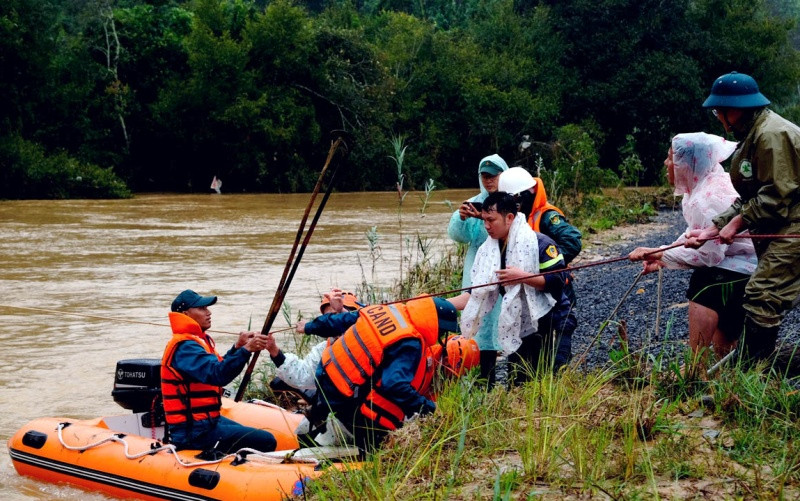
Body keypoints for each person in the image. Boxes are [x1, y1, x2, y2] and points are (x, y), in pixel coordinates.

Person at [687, 72, 800, 365]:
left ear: (735, 109)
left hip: (794, 227)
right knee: (766, 294)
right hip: (783, 224)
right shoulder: (753, 134)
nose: (717, 117)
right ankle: (756, 369)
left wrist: (736, 225)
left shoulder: (772, 135)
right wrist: (713, 229)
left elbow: (776, 196)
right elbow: (749, 197)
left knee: (763, 294)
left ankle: (752, 372)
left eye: (718, 111)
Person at [628, 133, 757, 364]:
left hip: (746, 268)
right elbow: (694, 234)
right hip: (742, 264)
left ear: (686, 165)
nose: (666, 163)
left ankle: (696, 366)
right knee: (725, 342)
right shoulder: (706, 183)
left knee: (703, 284)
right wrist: (662, 255)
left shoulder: (706, 197)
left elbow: (708, 255)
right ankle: (723, 369)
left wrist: (660, 253)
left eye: (671, 158)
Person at [306, 296, 460, 452]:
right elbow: (394, 385)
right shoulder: (410, 341)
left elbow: (339, 321)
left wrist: (309, 327)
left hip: (325, 372)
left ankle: (315, 423)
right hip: (346, 393)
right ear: (437, 326)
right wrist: (428, 408)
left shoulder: (383, 310)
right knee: (372, 443)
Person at [453, 191, 576, 385]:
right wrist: (436, 304)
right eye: (484, 220)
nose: (486, 226)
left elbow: (557, 281)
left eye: (491, 220)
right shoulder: (489, 252)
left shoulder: (540, 244)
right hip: (519, 323)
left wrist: (523, 277)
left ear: (509, 218)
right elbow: (476, 294)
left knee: (551, 380)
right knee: (518, 383)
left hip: (553, 321)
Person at [161, 289, 277, 453]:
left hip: (206, 422)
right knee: (266, 440)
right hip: (193, 432)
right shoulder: (185, 347)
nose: (208, 312)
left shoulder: (195, 341)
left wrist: (238, 347)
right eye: (202, 308)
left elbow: (218, 365)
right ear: (186, 314)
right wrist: (246, 350)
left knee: (252, 435)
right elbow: (218, 374)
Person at [447, 154, 509, 381]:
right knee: (478, 322)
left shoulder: (512, 201)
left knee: (505, 320)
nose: (489, 180)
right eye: (484, 176)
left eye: (493, 176)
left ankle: (512, 377)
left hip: (505, 268)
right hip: (479, 269)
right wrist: (462, 218)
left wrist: (484, 216)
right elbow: (459, 236)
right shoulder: (474, 202)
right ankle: (479, 378)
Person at [498, 166, 582, 305]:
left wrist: (549, 264)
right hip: (531, 289)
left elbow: (572, 241)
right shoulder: (520, 216)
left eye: (513, 199)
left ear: (523, 195)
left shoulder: (547, 216)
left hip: (554, 288)